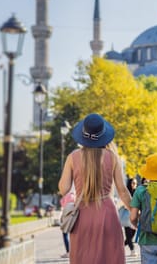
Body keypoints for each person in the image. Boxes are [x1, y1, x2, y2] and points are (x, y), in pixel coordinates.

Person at [58, 113, 132, 264]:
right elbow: (123, 191)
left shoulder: (73, 157)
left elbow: (63, 188)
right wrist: (134, 212)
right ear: (103, 135)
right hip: (107, 214)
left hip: (81, 215)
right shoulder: (112, 157)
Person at [59, 191, 76, 258]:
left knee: (65, 234)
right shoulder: (74, 195)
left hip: (67, 217)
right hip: (74, 217)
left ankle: (69, 252)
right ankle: (73, 252)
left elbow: (64, 207)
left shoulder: (67, 196)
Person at [124, 178, 138, 257]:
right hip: (127, 216)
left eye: (135, 183)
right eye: (133, 183)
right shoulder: (126, 193)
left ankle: (119, 247)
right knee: (129, 235)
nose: (134, 185)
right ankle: (132, 250)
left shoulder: (137, 193)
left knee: (132, 235)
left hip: (135, 217)